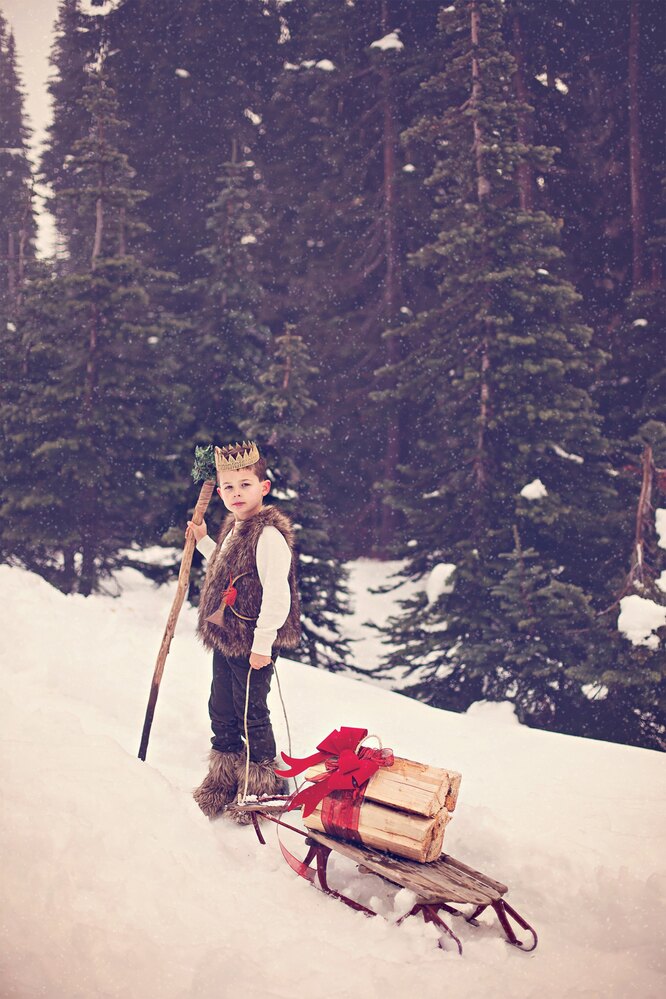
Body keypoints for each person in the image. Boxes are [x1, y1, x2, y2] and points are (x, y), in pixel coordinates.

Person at [186, 440, 301, 821]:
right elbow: (223, 564)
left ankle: (261, 787)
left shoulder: (268, 535)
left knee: (251, 711)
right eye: (229, 488)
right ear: (219, 492)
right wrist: (202, 539)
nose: (237, 494)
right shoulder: (235, 529)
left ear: (263, 488)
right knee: (221, 708)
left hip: (253, 641)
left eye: (245, 485)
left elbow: (277, 593)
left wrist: (264, 641)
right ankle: (223, 778)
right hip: (226, 638)